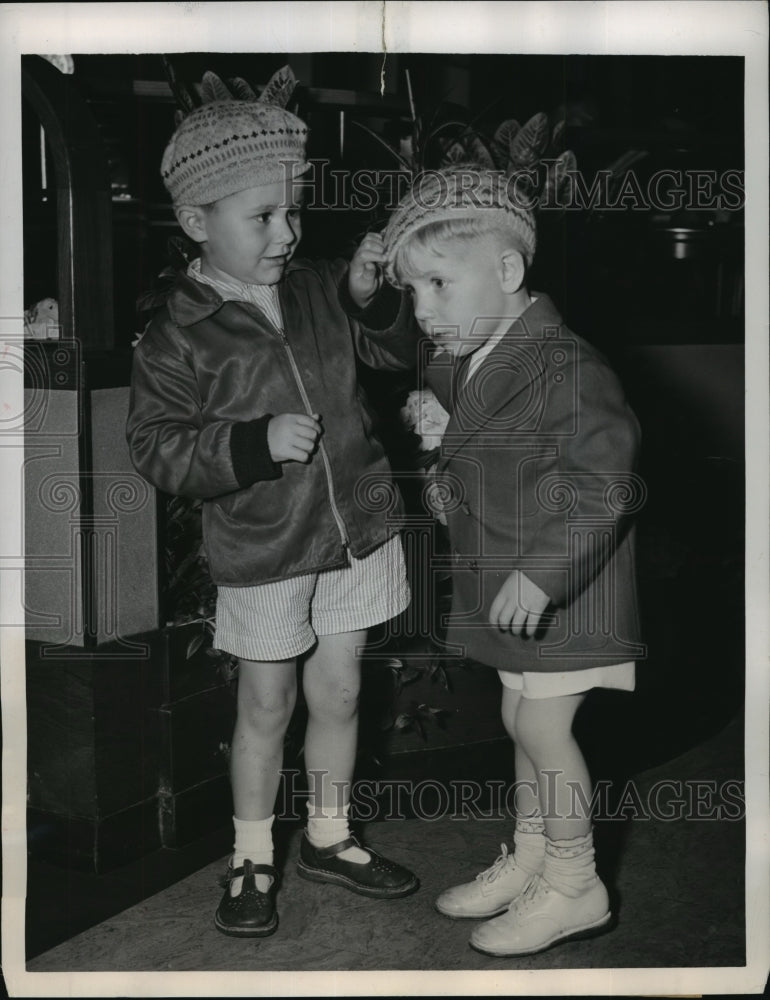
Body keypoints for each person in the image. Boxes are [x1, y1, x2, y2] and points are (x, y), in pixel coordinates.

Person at [126, 94, 420, 939]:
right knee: (266, 705)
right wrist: (251, 445)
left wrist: (368, 298)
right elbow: (156, 448)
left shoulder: (319, 288)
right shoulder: (178, 333)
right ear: (194, 220)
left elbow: (393, 357)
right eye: (262, 216)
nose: (286, 233)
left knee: (340, 688)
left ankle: (328, 835)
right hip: (264, 548)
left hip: (357, 532)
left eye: (292, 210)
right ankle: (253, 856)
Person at [371, 165, 643, 957]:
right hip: (511, 586)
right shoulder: (472, 356)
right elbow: (485, 435)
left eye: (437, 284)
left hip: (566, 589)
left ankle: (575, 883)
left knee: (543, 724)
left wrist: (543, 574)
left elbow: (605, 486)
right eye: (412, 291)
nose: (423, 312)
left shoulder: (570, 366)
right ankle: (533, 858)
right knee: (517, 716)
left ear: (508, 271)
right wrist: (442, 427)